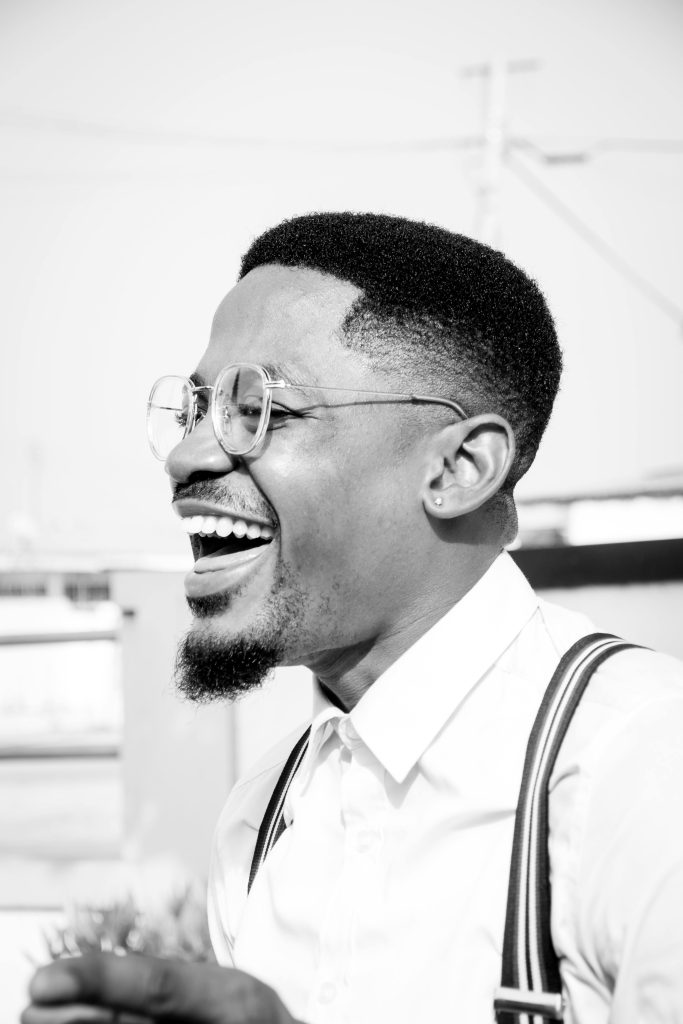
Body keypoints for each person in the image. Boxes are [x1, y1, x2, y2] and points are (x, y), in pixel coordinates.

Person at [24, 213, 683, 1024]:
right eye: (196, 408)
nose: (187, 454)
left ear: (458, 467)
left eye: (263, 409)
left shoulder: (641, 766)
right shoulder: (263, 814)